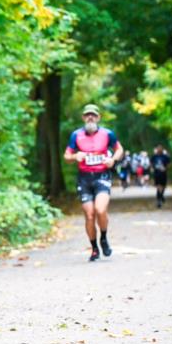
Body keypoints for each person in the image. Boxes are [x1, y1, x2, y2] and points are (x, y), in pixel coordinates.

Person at [64, 104, 124, 261]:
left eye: (93, 115)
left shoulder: (108, 134)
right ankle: (94, 248)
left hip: (102, 176)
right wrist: (75, 156)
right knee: (89, 215)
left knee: (100, 210)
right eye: (87, 115)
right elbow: (67, 155)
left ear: (98, 118)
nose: (90, 117)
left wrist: (112, 159)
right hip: (84, 178)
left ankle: (103, 237)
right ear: (83, 118)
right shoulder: (76, 135)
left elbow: (119, 149)